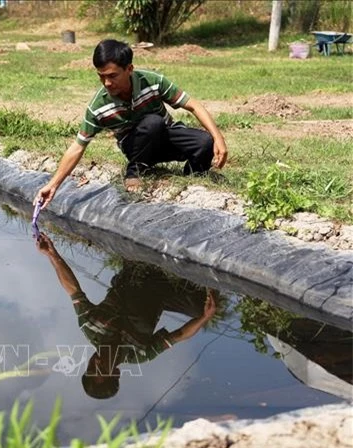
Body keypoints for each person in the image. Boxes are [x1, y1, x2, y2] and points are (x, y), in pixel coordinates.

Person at [34, 39, 228, 209]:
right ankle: (136, 168)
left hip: (165, 134)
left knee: (205, 143)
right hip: (136, 145)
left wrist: (218, 138)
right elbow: (77, 147)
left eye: (112, 76)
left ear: (129, 69)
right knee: (153, 123)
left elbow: (192, 105)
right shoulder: (98, 107)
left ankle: (189, 178)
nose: (107, 83)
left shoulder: (152, 81)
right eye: (101, 76)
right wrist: (52, 185)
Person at [36, 232, 218, 399]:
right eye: (101, 368)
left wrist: (52, 255)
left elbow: (73, 290)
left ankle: (143, 260)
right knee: (200, 308)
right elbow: (178, 336)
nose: (96, 361)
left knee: (135, 257)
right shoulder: (140, 354)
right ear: (116, 373)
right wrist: (205, 317)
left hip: (133, 277)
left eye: (91, 367)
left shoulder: (89, 326)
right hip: (161, 294)